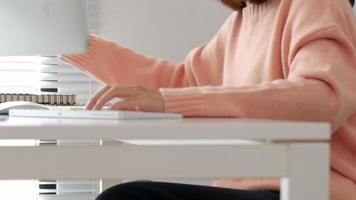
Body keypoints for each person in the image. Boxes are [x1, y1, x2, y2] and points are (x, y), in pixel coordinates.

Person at [60, 0, 356, 199]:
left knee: (128, 198)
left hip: (311, 188)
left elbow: (321, 95)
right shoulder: (241, 22)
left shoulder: (317, 4)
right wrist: (71, 43)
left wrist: (170, 100)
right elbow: (182, 84)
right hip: (249, 188)